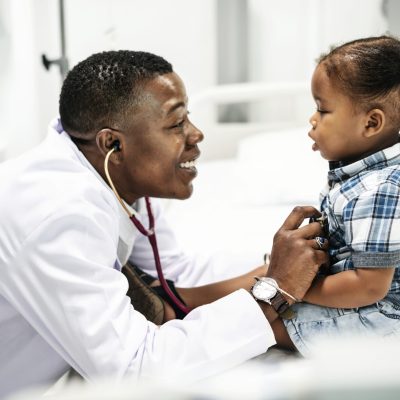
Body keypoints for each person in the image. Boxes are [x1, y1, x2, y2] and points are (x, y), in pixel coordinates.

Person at [0, 50, 327, 399]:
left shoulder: (108, 170)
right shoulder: (59, 215)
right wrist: (274, 292)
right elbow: (135, 368)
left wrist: (281, 265)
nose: (196, 134)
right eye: (176, 123)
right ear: (113, 143)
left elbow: (178, 273)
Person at [267, 36, 400, 355]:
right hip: (347, 287)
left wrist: (299, 288)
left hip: (382, 313)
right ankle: (179, 304)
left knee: (263, 328)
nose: (312, 120)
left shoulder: (380, 189)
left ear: (371, 123)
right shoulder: (359, 174)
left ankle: (174, 315)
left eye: (322, 109)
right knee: (255, 303)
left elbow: (369, 286)